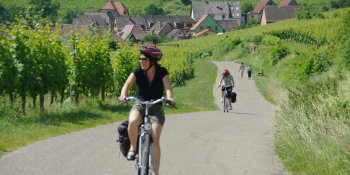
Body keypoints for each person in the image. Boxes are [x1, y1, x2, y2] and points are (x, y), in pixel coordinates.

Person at [118, 45, 175, 175]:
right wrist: (123, 95)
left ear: (153, 60)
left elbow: (168, 87)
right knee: (133, 121)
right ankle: (133, 148)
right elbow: (127, 84)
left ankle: (155, 173)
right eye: (140, 59)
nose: (141, 61)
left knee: (154, 137)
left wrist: (170, 98)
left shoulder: (162, 72)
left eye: (144, 59)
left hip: (156, 106)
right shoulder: (138, 71)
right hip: (140, 104)